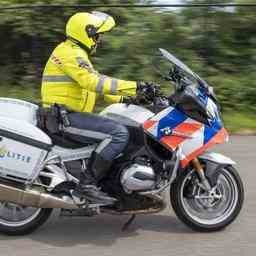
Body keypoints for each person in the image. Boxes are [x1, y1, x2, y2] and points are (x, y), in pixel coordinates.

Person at [41, 11, 157, 204]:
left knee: (118, 125)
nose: (99, 40)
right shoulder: (70, 53)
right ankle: (86, 185)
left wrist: (132, 98)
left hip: (68, 115)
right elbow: (93, 82)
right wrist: (136, 86)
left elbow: (100, 90)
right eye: (97, 36)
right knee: (118, 133)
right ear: (86, 33)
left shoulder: (74, 53)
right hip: (62, 119)